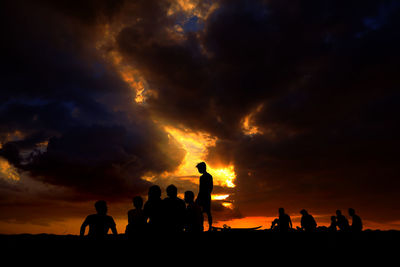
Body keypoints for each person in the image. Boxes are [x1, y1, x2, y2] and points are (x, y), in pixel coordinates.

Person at [195, 162, 213, 231]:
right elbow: (210, 187)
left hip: (204, 196)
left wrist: (199, 198)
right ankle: (207, 227)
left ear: (202, 168)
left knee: (202, 212)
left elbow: (201, 189)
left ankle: (206, 227)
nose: (198, 170)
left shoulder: (203, 177)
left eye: (199, 169)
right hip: (206, 196)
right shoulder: (208, 176)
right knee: (207, 212)